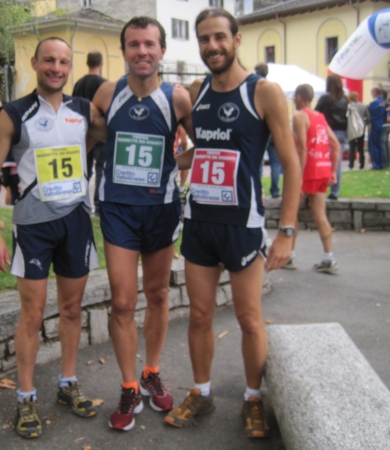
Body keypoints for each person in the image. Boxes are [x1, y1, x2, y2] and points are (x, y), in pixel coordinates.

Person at [164, 8, 301, 439]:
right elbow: (203, 149)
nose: (212, 46)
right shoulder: (197, 90)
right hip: (200, 220)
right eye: (204, 39)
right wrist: (165, 163)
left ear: (237, 39)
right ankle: (201, 392)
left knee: (249, 319)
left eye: (219, 37)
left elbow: (292, 165)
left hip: (242, 224)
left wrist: (287, 232)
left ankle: (253, 399)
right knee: (200, 314)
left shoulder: (264, 92)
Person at [0, 37, 106, 439]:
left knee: (72, 309)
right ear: (34, 62)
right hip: (33, 226)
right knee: (32, 316)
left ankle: (67, 384)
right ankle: (26, 397)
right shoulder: (15, 113)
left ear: (72, 67)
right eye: (48, 60)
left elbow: (91, 145)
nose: (56, 67)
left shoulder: (83, 111)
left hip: (75, 223)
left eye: (63, 61)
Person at [91, 17, 194, 431]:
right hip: (117, 207)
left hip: (161, 209)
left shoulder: (178, 99)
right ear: (124, 51)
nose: (142, 51)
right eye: (133, 44)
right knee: (121, 301)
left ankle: (151, 371)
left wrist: (172, 165)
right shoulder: (106, 92)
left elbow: (203, 148)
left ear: (162, 50)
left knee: (156, 293)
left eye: (149, 44)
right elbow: (90, 133)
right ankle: (129, 385)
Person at [284, 84, 340, 272]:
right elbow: (336, 145)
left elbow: (302, 147)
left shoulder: (300, 117)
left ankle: (290, 257)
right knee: (320, 215)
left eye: (294, 97)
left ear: (299, 97)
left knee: (291, 213)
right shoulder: (320, 117)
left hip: (307, 172)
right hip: (322, 171)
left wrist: (297, 176)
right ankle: (329, 258)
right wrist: (333, 171)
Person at [73, 51, 107, 214]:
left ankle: (81, 204)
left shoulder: (78, 84)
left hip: (80, 133)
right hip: (99, 136)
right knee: (101, 168)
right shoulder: (104, 84)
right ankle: (99, 207)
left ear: (87, 63)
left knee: (82, 169)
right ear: (101, 63)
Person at [315, 74, 347, 200]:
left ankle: (321, 188)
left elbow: (316, 112)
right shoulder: (345, 99)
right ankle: (335, 191)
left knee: (322, 160)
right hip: (342, 132)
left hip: (328, 132)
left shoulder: (325, 98)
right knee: (337, 163)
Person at [255, 62, 282, 198]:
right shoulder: (273, 89)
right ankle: (275, 191)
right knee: (275, 163)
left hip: (260, 133)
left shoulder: (254, 88)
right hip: (273, 132)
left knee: (258, 162)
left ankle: (257, 189)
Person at [347, 91, 369, 170]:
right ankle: (362, 165)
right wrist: (364, 124)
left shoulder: (349, 106)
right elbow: (368, 118)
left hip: (352, 129)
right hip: (361, 128)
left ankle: (351, 165)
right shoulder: (363, 106)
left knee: (352, 148)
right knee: (361, 148)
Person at [367, 87, 386, 170]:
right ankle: (381, 163)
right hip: (380, 123)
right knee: (379, 144)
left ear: (375, 92)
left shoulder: (374, 102)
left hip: (374, 124)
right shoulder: (383, 102)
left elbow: (368, 110)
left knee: (374, 145)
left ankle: (376, 164)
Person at [174, 124, 189, 193]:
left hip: (168, 149)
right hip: (173, 149)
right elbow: (184, 141)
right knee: (185, 165)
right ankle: (181, 188)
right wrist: (184, 151)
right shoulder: (179, 122)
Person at [380, 89, 390, 168]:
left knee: (383, 143)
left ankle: (384, 163)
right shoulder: (389, 103)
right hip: (389, 124)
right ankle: (388, 162)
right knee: (386, 144)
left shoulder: (382, 103)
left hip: (384, 124)